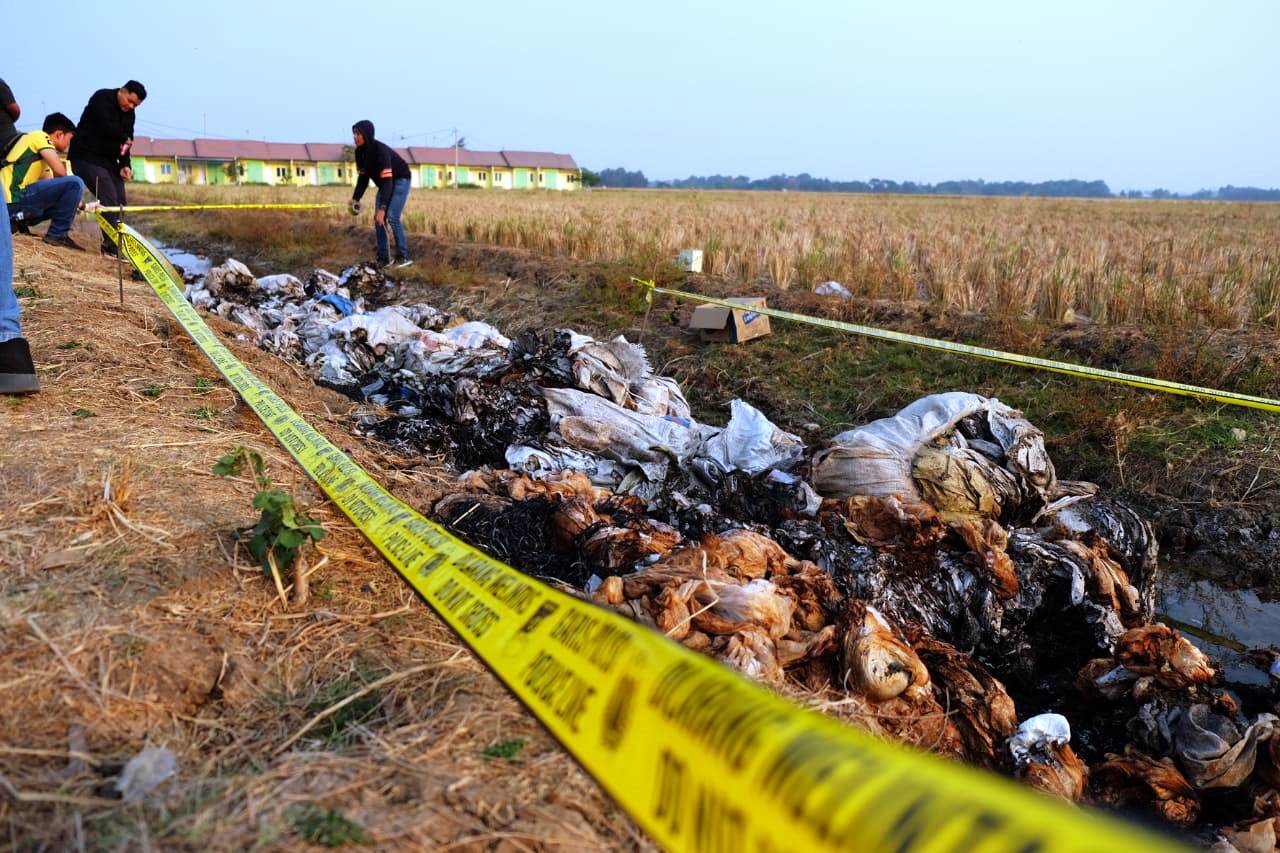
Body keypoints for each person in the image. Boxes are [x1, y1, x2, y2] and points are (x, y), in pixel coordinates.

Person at [69, 80, 145, 256]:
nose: (131, 107)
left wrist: (125, 164)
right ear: (122, 91)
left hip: (109, 161)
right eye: (130, 101)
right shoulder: (102, 98)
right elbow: (104, 125)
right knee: (108, 197)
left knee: (120, 201)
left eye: (136, 105)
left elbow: (127, 142)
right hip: (86, 156)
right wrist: (123, 138)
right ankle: (111, 248)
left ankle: (115, 243)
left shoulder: (130, 114)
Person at [0, 78, 38, 394]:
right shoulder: (39, 141)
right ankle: (7, 341)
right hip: (16, 201)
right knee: (71, 184)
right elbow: (14, 108)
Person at [3, 113, 87, 249]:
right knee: (75, 182)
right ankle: (57, 235)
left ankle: (17, 224)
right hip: (11, 200)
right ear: (59, 134)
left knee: (64, 196)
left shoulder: (41, 160)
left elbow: (52, 189)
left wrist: (82, 204)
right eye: (69, 139)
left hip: (14, 205)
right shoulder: (39, 136)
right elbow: (61, 173)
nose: (68, 145)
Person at [349, 120, 412, 269]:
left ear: (367, 134)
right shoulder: (359, 153)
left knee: (391, 216)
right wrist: (355, 199)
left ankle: (403, 256)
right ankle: (383, 258)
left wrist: (382, 209)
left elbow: (388, 182)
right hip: (385, 184)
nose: (355, 137)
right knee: (378, 220)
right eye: (354, 133)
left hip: (399, 179)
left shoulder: (380, 151)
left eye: (358, 133)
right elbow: (363, 178)